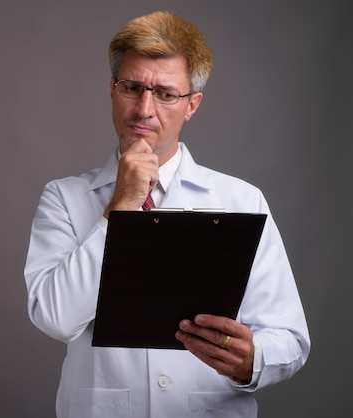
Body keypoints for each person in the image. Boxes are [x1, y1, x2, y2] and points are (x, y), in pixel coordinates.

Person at [24, 11, 310, 418]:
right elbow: (55, 318)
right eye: (132, 87)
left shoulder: (241, 199)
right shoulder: (64, 197)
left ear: (192, 105)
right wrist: (120, 206)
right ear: (111, 89)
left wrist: (253, 361)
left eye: (165, 93)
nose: (144, 109)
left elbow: (290, 339)